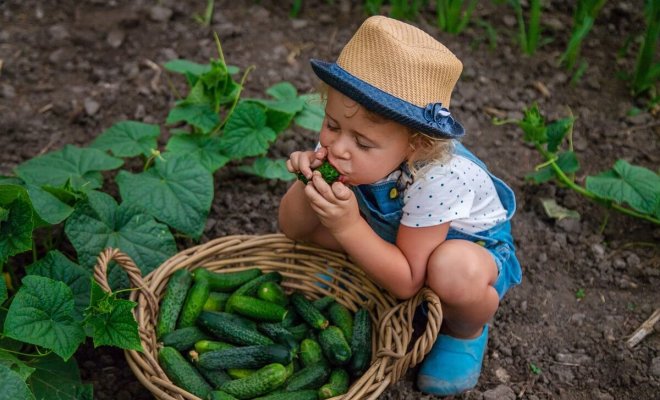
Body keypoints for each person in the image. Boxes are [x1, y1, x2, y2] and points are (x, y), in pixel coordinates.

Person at [278, 15, 522, 396]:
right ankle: (362, 276)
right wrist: (308, 184)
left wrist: (347, 227)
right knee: (323, 222)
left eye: (363, 143)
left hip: (458, 247)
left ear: (416, 145)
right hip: (391, 231)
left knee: (450, 272)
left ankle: (465, 331)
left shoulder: (439, 176)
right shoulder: (341, 148)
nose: (339, 147)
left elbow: (410, 281)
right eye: (331, 124)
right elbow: (293, 229)